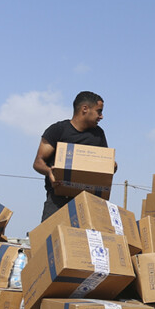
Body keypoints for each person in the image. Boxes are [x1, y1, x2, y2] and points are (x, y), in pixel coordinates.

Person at [33, 91, 108, 221]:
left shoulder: (98, 134)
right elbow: (38, 162)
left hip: (87, 202)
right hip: (57, 201)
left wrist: (112, 165)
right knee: (49, 238)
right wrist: (50, 172)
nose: (101, 116)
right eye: (99, 111)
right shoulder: (58, 130)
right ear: (85, 109)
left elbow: (105, 164)